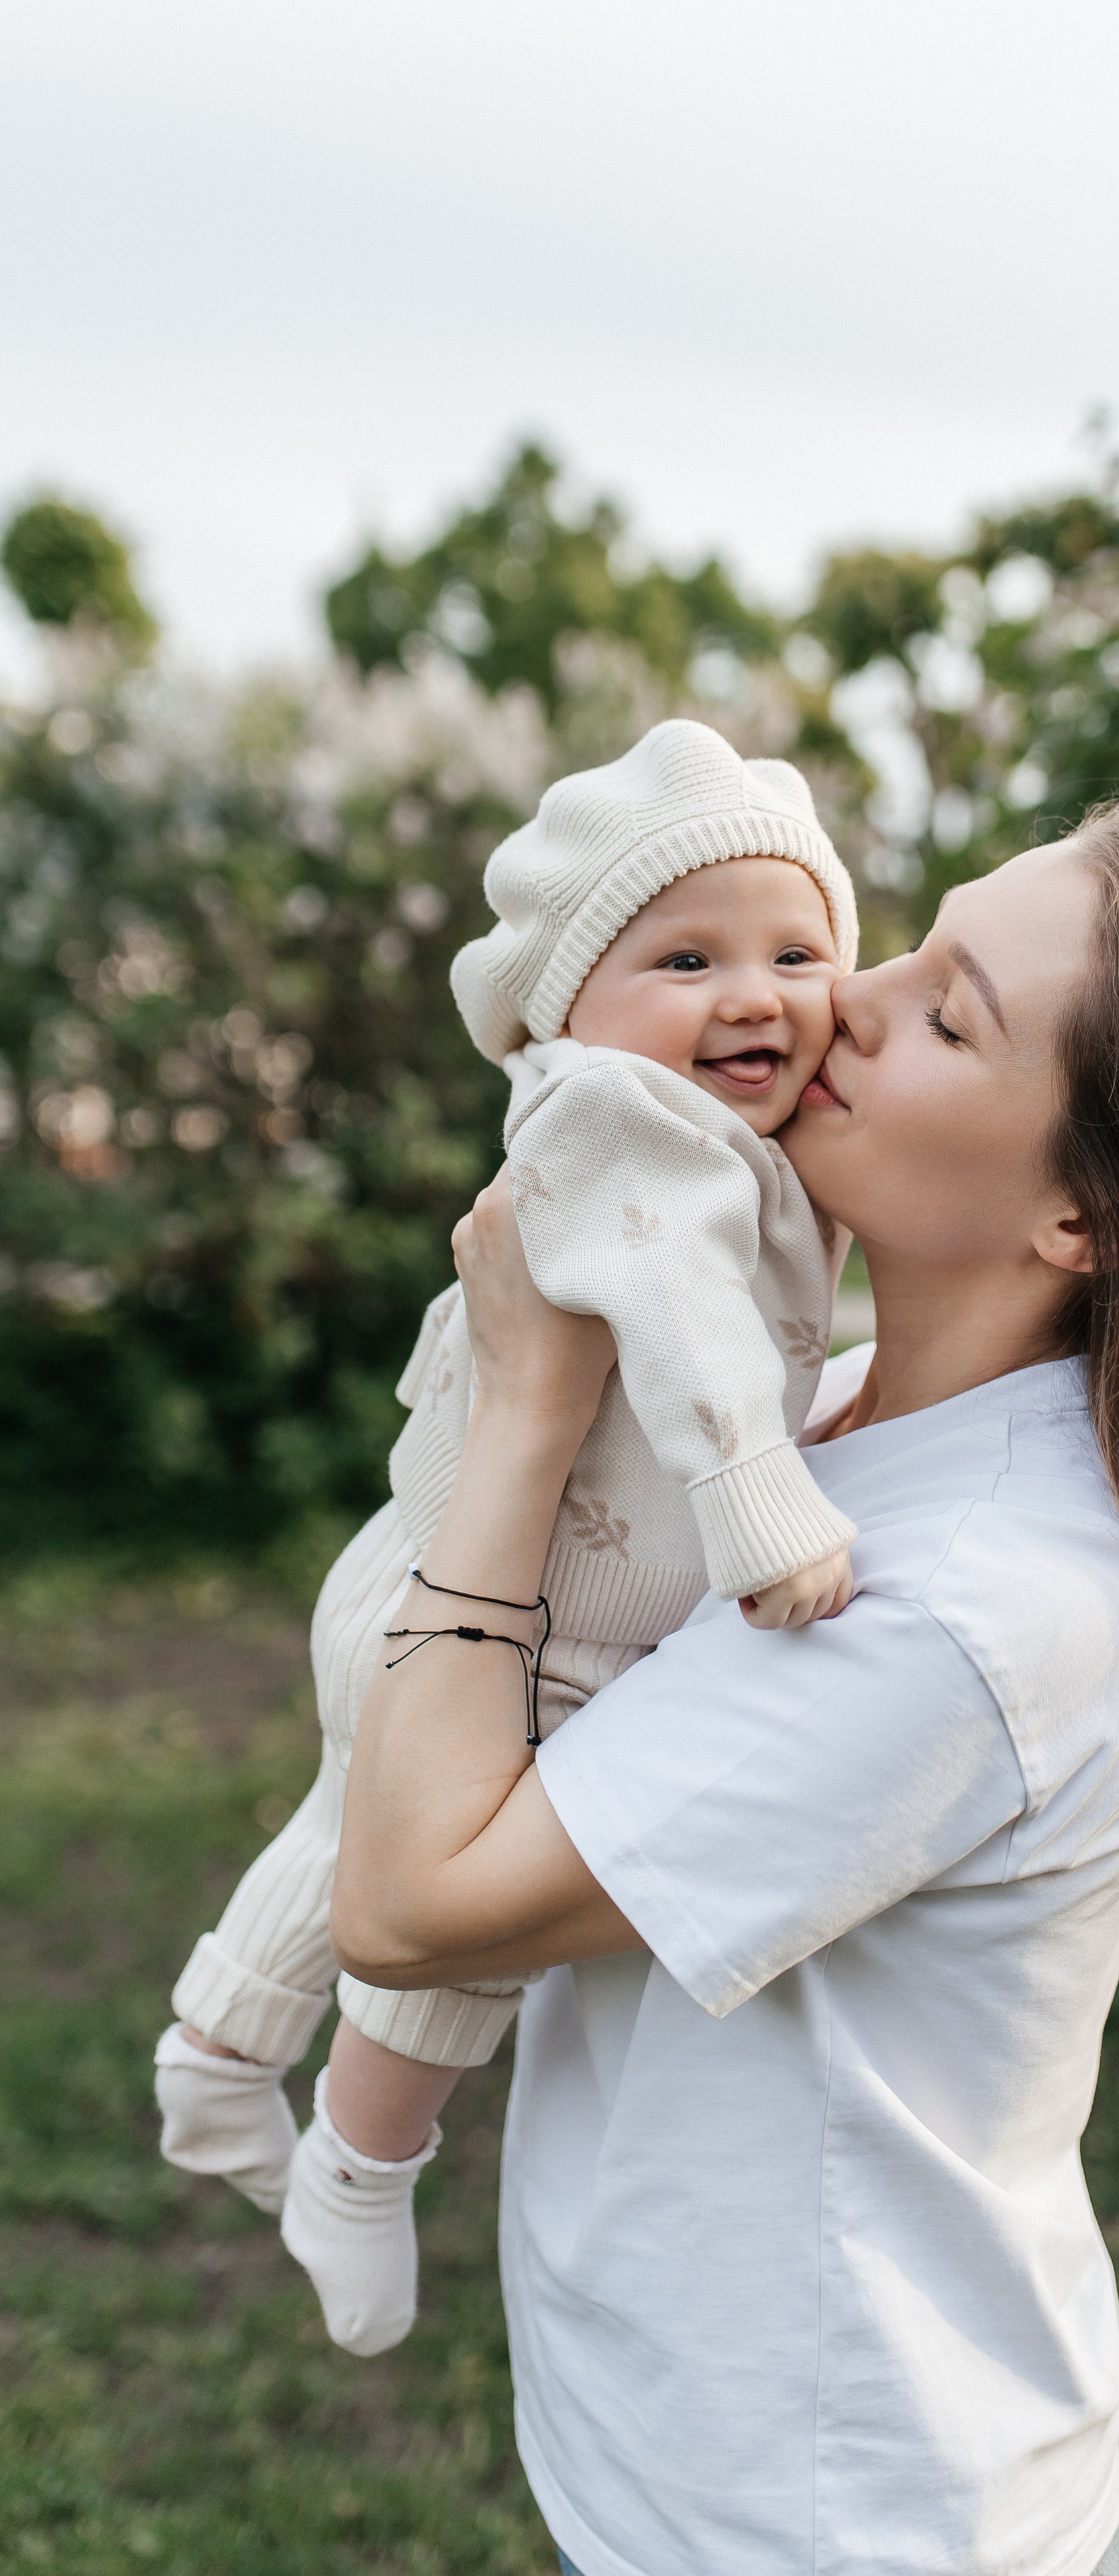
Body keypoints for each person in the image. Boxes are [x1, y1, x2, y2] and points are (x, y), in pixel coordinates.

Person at [331, 804, 1119, 2576]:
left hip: (831, 2517)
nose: (846, 1001)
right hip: (698, 2451)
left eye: (950, 1016)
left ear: (1089, 1214)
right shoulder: (830, 1418)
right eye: (907, 946)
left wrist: (523, 1411)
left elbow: (411, 1900)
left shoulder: (963, 1603)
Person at [154, 721, 863, 2357]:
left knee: (350, 1822)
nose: (752, 993)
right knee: (448, 1922)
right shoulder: (623, 1123)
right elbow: (686, 1323)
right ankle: (363, 2159)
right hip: (516, 1624)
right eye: (685, 956)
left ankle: (216, 2049)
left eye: (795, 949)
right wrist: (760, 1510)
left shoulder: (706, 1132)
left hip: (438, 1574)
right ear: (564, 1011)